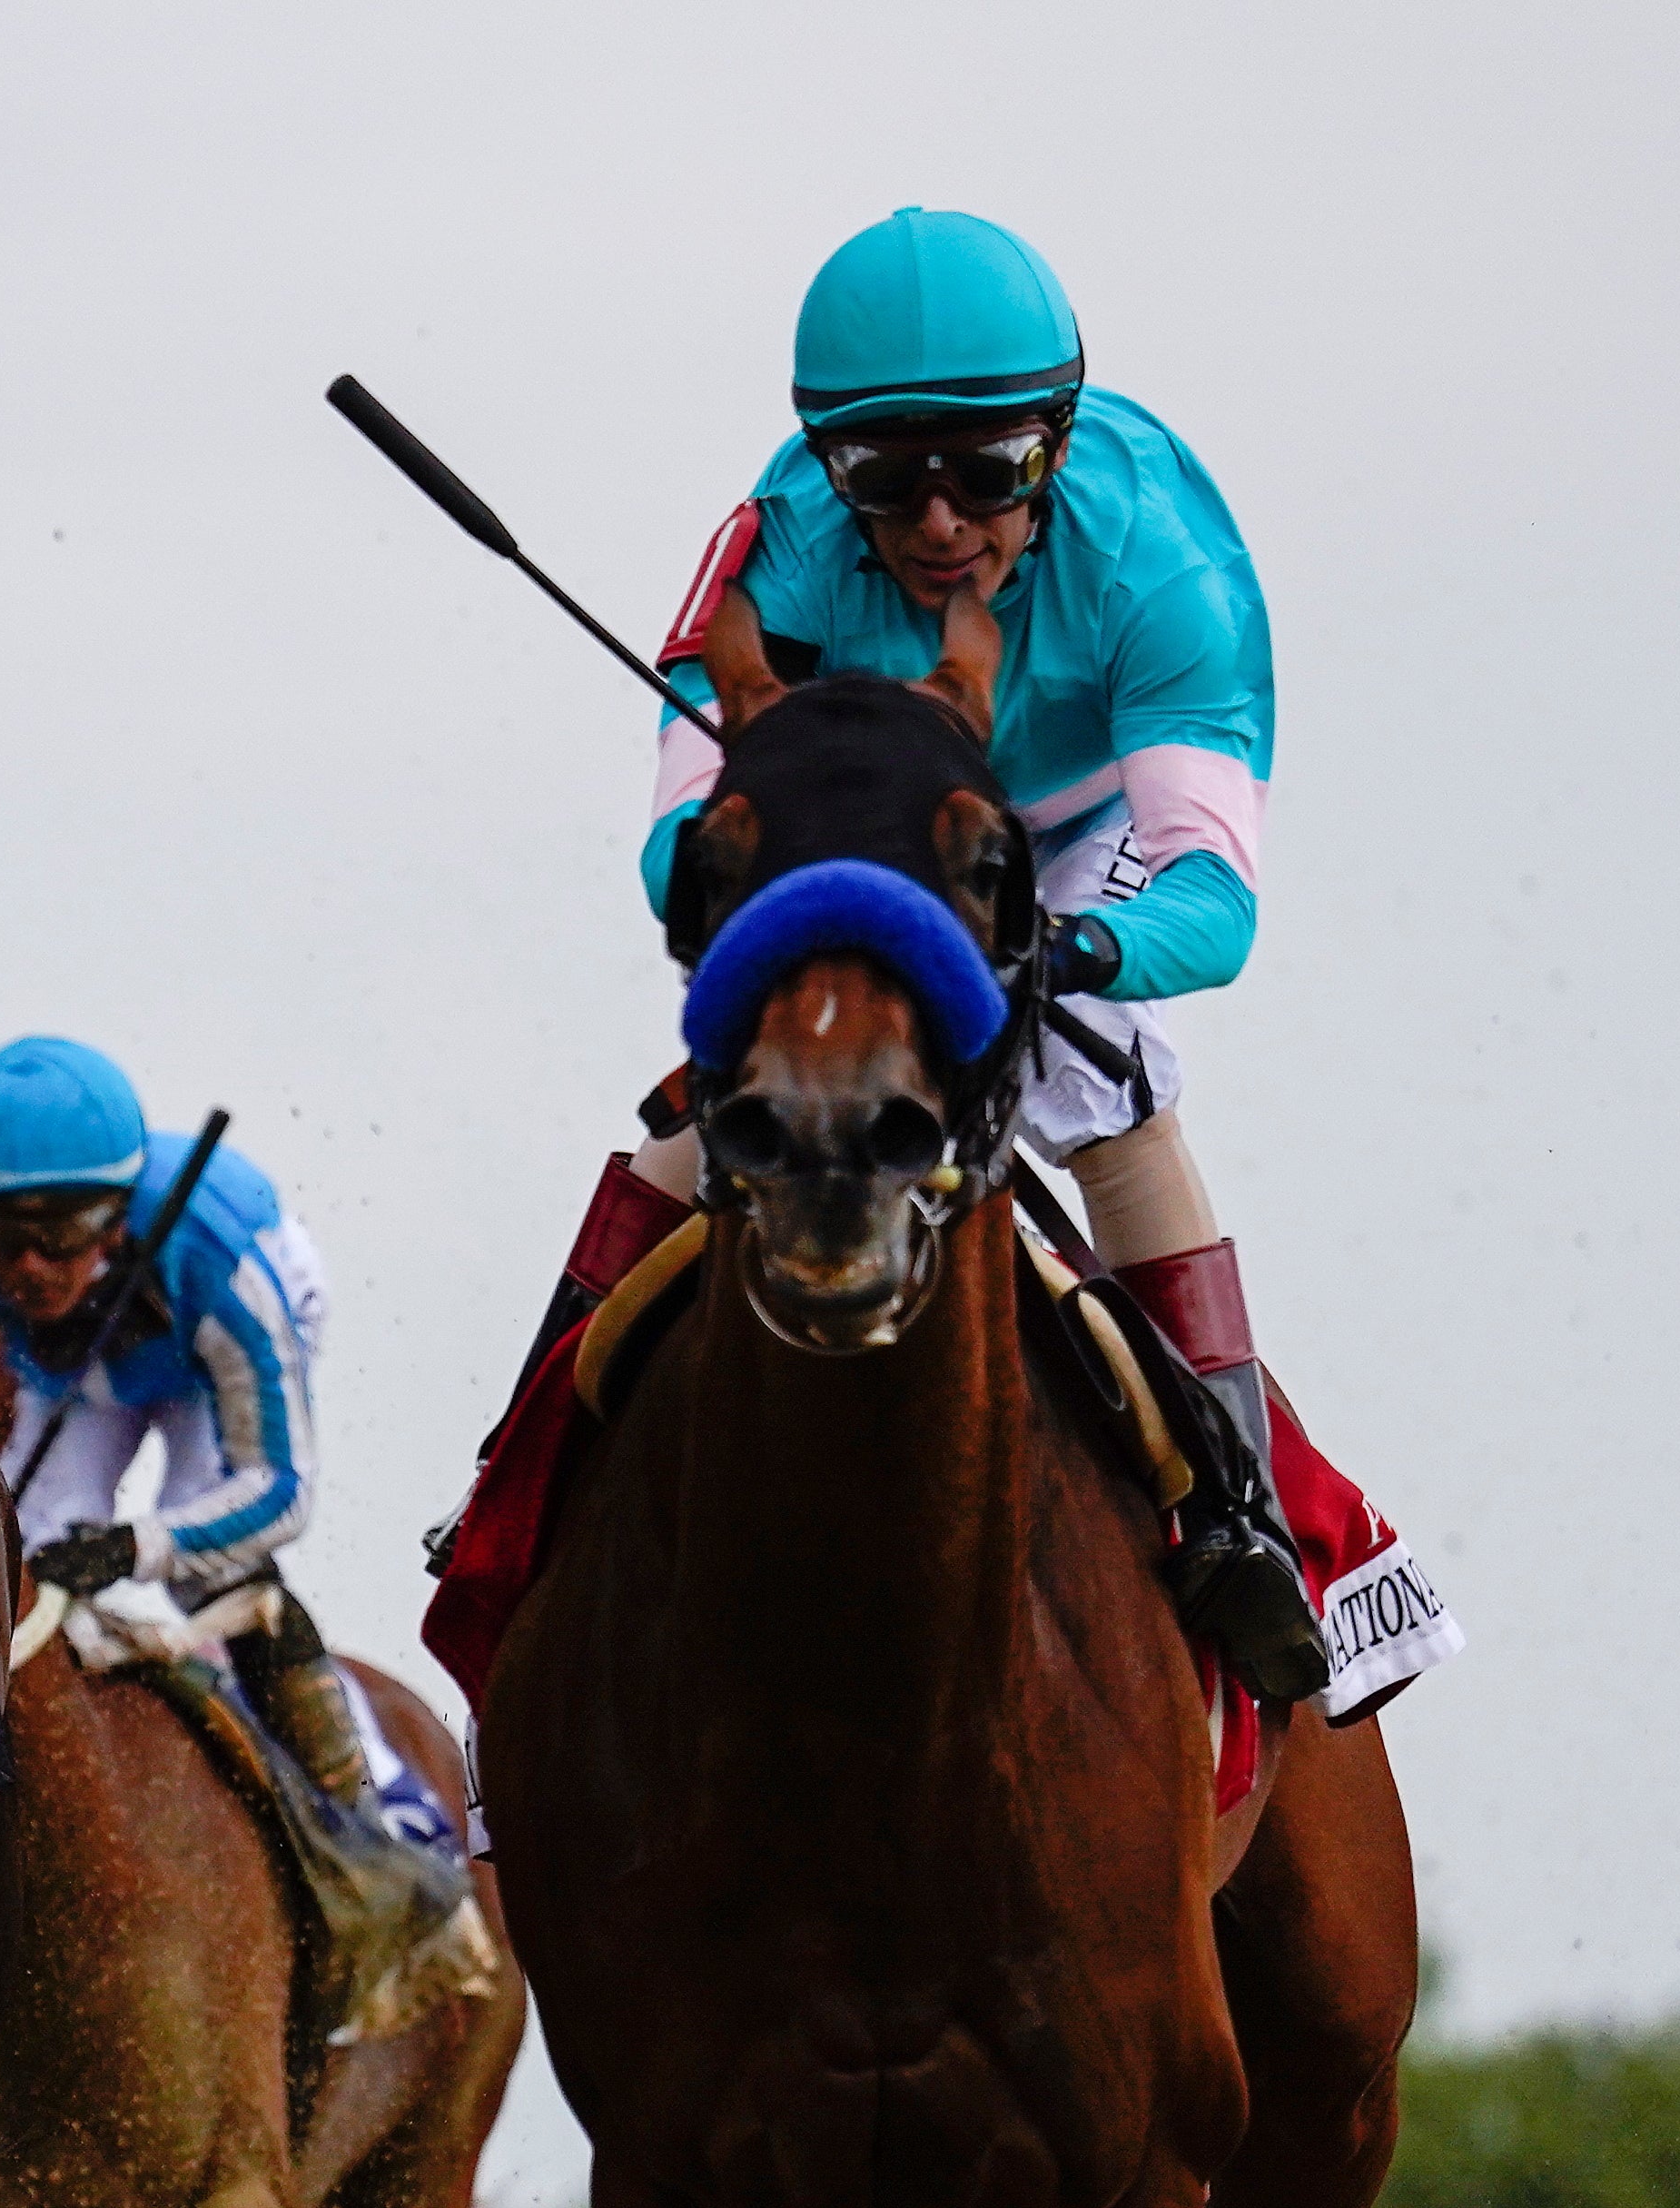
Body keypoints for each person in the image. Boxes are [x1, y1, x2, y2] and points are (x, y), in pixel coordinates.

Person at [530, 208, 1346, 1703]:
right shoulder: (768, 560)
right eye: (885, 481)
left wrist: (1066, 940)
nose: (938, 526)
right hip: (858, 836)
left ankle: (1243, 1519)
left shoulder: (1167, 569)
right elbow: (675, 857)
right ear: (827, 465)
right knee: (697, 1139)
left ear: (1058, 441)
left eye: (989, 473)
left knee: (1103, 1081)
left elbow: (1211, 895)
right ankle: (526, 1506)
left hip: (1092, 844)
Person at [0, 1035, 461, 1990]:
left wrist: (137, 1546)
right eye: (2, 1240)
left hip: (213, 1348)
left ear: (115, 1219)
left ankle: (365, 1820)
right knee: (17, 1557)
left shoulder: (224, 1265)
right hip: (79, 1366)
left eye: (60, 1235)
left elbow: (278, 1493)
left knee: (204, 1557)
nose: (30, 1268)